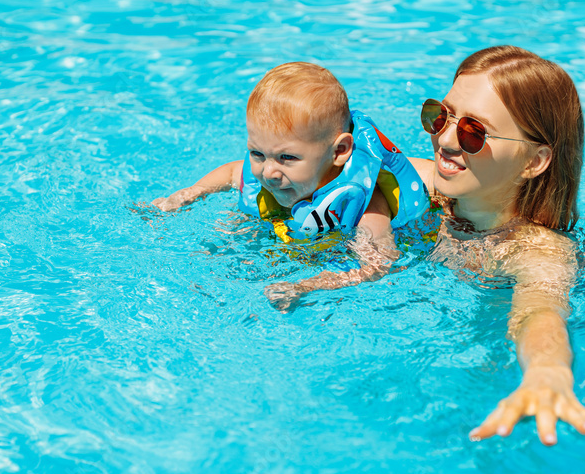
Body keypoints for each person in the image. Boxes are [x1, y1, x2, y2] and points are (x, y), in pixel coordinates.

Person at [407, 46, 585, 446]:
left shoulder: (536, 251)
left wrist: (546, 372)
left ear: (533, 161)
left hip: (481, 370)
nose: (446, 139)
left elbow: (538, 312)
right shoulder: (424, 188)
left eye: (474, 132)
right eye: (441, 116)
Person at [152, 62, 428, 309]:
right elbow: (234, 171)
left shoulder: (365, 204)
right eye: (257, 153)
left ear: (339, 150)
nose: (269, 172)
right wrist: (187, 195)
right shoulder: (266, 169)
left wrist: (306, 286)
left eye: (287, 157)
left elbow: (379, 264)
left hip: (330, 257)